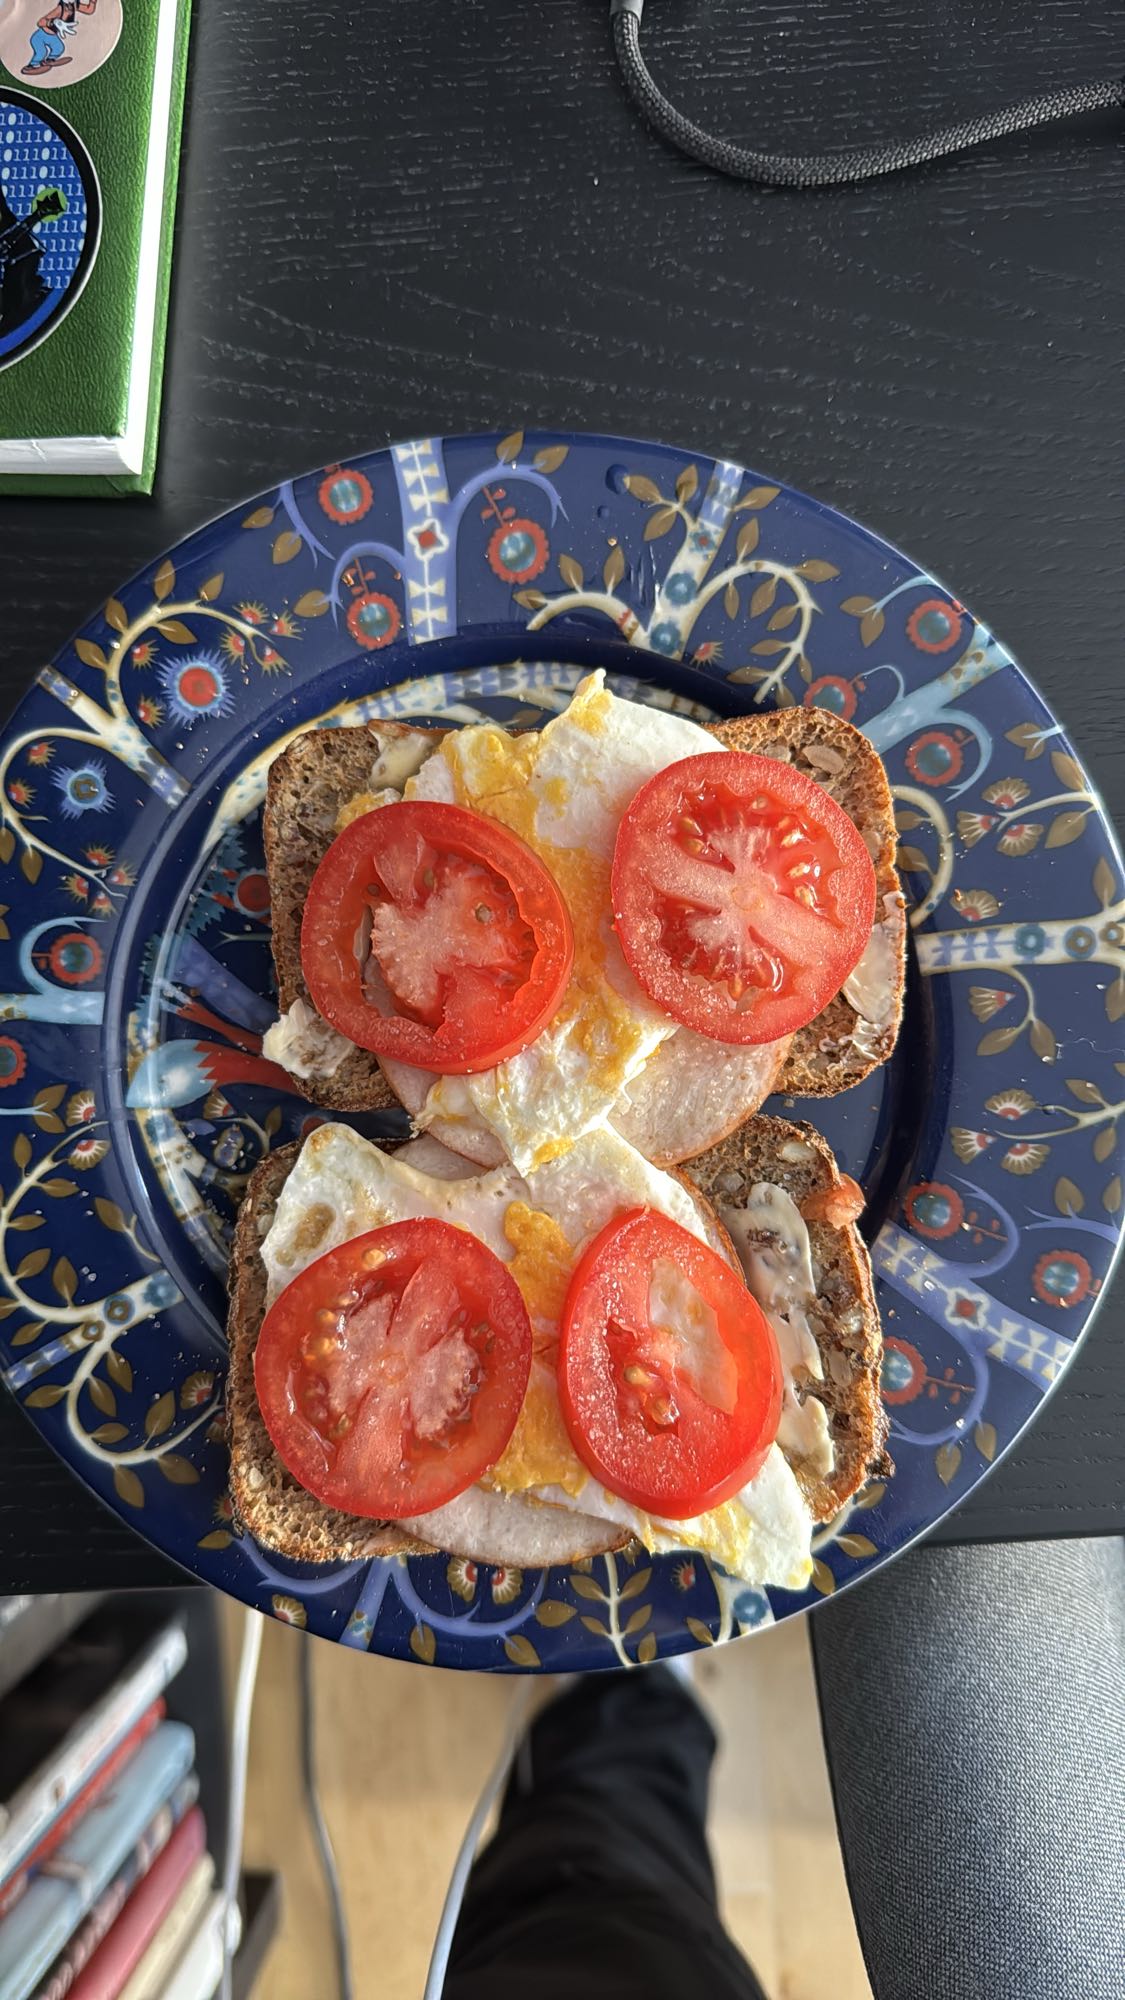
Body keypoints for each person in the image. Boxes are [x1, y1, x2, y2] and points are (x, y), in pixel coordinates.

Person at [22, 0, 98, 78]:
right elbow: (40, 22)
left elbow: (88, 10)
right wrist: (53, 22)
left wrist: (92, 2)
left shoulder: (74, 5)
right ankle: (31, 66)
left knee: (59, 48)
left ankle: (49, 60)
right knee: (41, 52)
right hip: (40, 36)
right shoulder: (60, 9)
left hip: (52, 36)